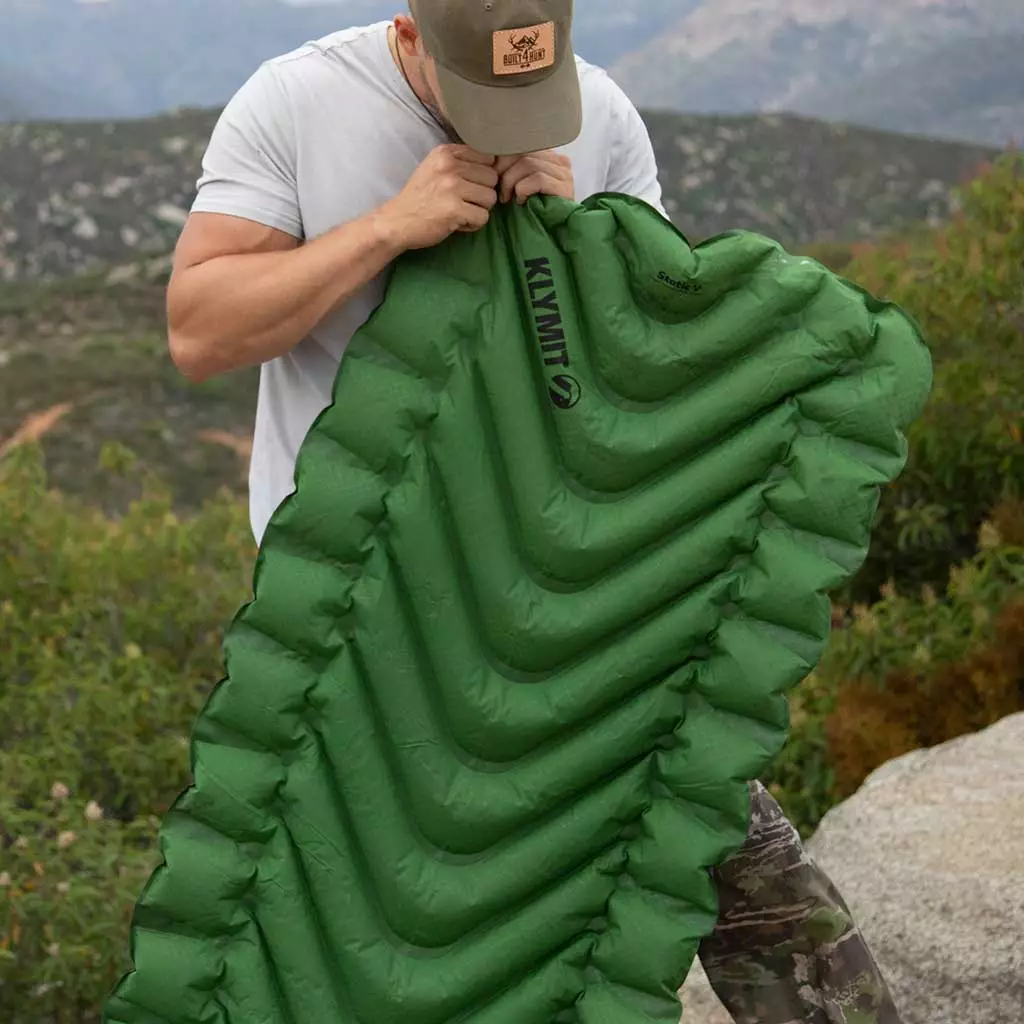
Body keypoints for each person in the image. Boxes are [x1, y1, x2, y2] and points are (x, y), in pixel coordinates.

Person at [168, 1, 903, 1020]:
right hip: (371, 623)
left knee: (725, 845)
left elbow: (650, 378)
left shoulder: (599, 113)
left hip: (566, 592)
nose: (509, 122)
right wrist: (386, 230)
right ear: (412, 34)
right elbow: (199, 332)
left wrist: (585, 244)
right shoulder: (295, 102)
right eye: (483, 95)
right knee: (397, 936)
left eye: (530, 93)